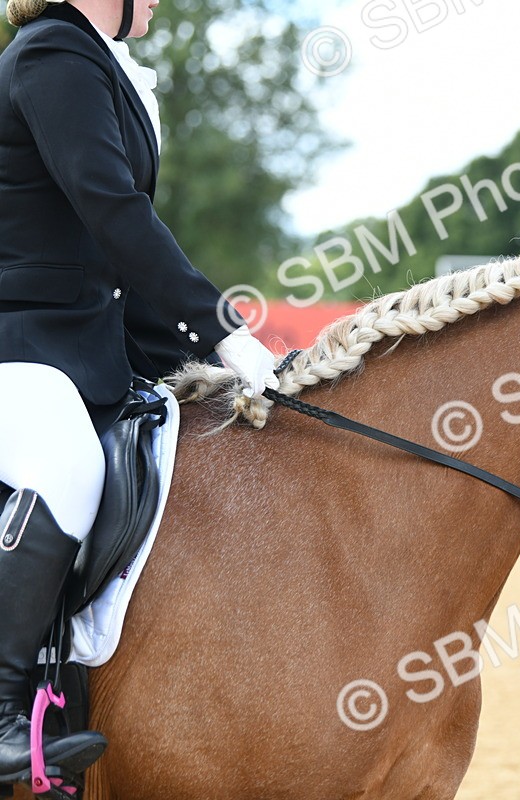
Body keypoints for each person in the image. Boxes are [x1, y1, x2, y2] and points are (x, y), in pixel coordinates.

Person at [0, 0, 280, 786]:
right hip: (21, 344)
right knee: (65, 467)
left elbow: (108, 260)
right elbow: (113, 212)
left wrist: (207, 362)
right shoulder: (52, 54)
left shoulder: (95, 62)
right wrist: (222, 328)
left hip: (87, 347)